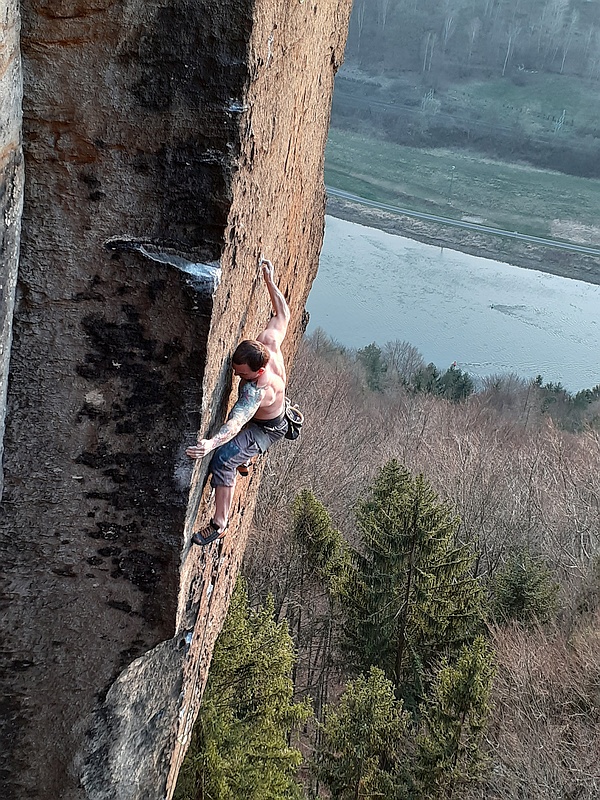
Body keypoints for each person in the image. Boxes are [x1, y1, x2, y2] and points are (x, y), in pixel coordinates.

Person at [186, 258, 290, 545]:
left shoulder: (258, 389)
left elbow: (236, 422)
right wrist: (269, 281)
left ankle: (220, 524)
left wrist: (209, 444)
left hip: (267, 427)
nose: (235, 374)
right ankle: (246, 458)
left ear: (257, 371)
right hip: (266, 414)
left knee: (224, 458)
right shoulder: (266, 342)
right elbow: (283, 314)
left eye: (240, 373)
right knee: (231, 448)